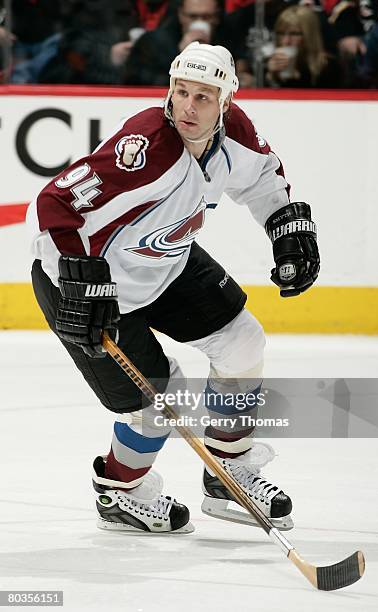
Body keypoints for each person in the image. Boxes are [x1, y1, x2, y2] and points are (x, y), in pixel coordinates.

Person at [26, 42, 320, 534]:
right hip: (84, 282)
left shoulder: (236, 135)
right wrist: (80, 275)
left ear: (225, 102)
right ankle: (120, 491)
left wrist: (286, 228)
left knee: (243, 342)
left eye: (203, 97)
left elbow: (263, 180)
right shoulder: (146, 149)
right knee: (163, 398)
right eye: (180, 92)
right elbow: (53, 205)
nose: (187, 106)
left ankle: (228, 471)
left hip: (165, 261)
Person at [123, 0, 229, 85]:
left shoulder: (229, 38)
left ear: (216, 17)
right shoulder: (154, 42)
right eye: (192, 16)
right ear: (181, 15)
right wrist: (180, 56)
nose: (199, 22)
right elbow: (140, 82)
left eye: (207, 17)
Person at [265, 5, 340, 87]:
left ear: (309, 35)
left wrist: (296, 78)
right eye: (280, 33)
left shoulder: (329, 67)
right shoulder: (270, 63)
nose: (285, 41)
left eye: (294, 34)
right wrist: (271, 76)